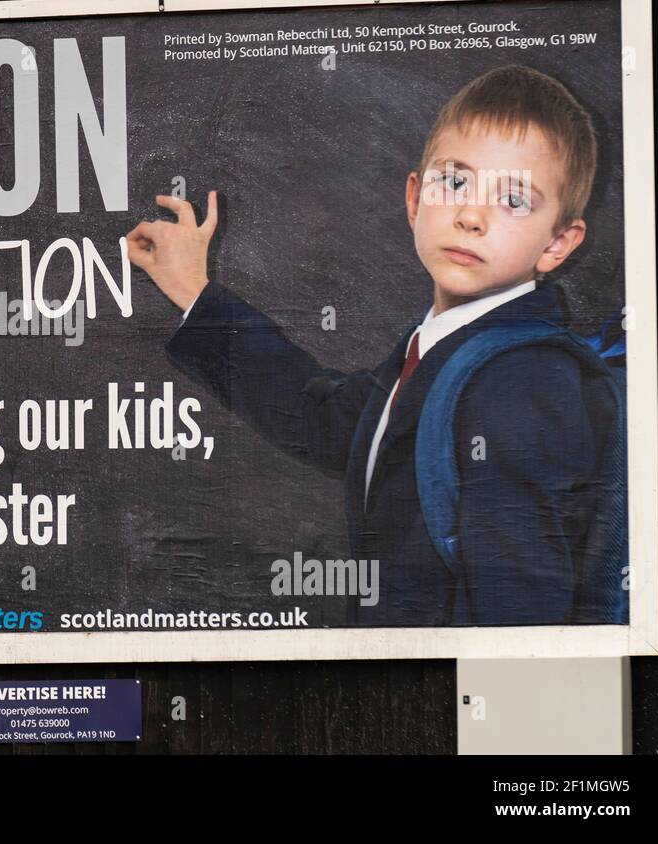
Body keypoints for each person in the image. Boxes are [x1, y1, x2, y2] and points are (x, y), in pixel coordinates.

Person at [126, 64, 624, 627]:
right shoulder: (442, 348)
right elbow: (325, 421)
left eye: (513, 199)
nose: (470, 216)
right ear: (415, 199)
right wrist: (194, 289)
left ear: (558, 243)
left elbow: (517, 607)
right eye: (454, 181)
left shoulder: (522, 379)